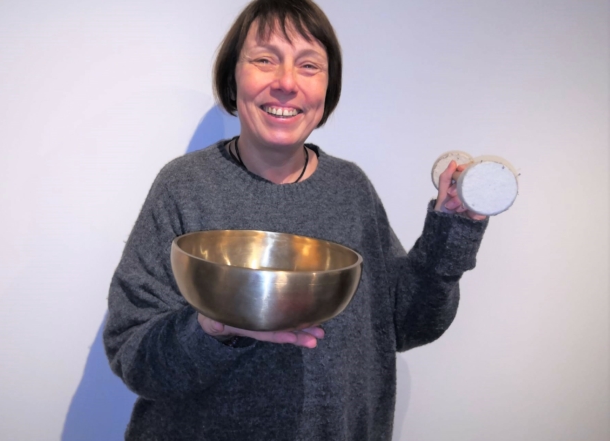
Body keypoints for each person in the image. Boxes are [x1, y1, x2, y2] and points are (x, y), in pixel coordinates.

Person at [104, 0, 488, 439]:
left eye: (309, 65)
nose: (286, 83)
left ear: (327, 88)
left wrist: (449, 232)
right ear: (233, 76)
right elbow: (133, 355)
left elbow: (405, 325)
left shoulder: (350, 189)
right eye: (265, 60)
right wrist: (211, 329)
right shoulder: (185, 186)